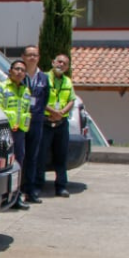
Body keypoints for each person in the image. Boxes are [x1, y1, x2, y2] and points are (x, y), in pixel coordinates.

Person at [0, 59, 33, 210]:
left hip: (20, 134)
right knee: (3, 165)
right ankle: (1, 198)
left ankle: (16, 197)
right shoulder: (2, 87)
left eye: (22, 70)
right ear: (10, 71)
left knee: (18, 165)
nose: (19, 72)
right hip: (5, 132)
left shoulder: (26, 90)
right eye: (17, 69)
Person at [41, 53, 75, 197]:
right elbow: (38, 98)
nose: (61, 65)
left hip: (61, 124)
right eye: (59, 62)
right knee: (40, 156)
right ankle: (37, 186)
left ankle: (61, 186)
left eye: (64, 64)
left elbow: (71, 100)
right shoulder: (43, 78)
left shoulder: (68, 81)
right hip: (45, 122)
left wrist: (60, 113)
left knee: (61, 157)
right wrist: (52, 111)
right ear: (53, 62)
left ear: (67, 67)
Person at [21, 46, 49, 204]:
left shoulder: (43, 78)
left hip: (36, 121)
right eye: (29, 55)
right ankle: (17, 190)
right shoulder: (18, 75)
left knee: (33, 157)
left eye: (35, 55)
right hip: (20, 121)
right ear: (23, 57)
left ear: (38, 58)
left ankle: (30, 190)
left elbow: (45, 99)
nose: (32, 58)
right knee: (19, 156)